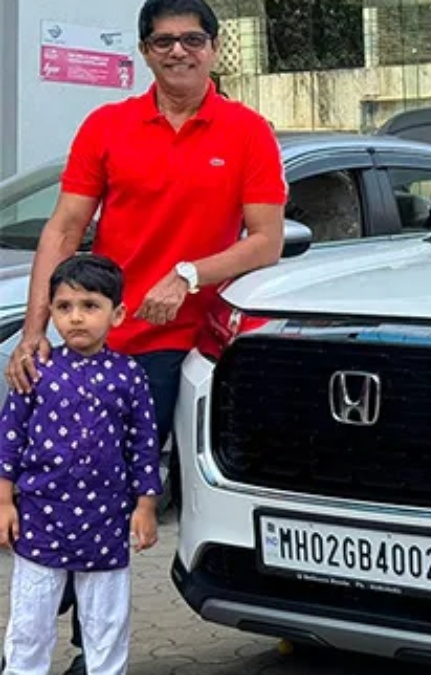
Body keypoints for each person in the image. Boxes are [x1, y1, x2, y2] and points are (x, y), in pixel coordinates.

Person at [3, 1, 287, 672]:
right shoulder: (108, 125)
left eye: (192, 39)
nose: (178, 51)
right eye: (163, 41)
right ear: (144, 51)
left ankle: (87, 645)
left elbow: (266, 240)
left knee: (113, 485)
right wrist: (34, 331)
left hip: (188, 343)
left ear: (214, 48)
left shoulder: (247, 131)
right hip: (101, 337)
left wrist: (188, 274)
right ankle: (47, 622)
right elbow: (64, 228)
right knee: (63, 475)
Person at [0, 254, 161, 675]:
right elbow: (9, 439)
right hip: (40, 517)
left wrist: (145, 507)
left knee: (106, 624)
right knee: (30, 621)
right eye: (64, 307)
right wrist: (4, 502)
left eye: (90, 306)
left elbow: (144, 446)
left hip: (105, 519)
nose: (75, 318)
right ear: (51, 312)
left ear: (117, 314)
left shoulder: (129, 375)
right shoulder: (35, 370)